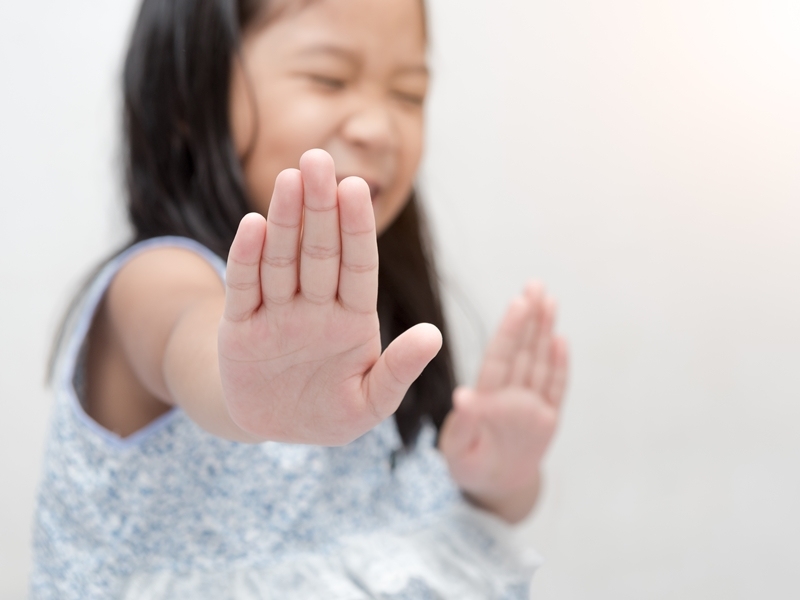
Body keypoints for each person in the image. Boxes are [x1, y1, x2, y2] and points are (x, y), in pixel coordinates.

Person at [32, 0, 569, 597]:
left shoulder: (367, 310)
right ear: (188, 99)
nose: (380, 128)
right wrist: (246, 391)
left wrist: (498, 478)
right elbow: (197, 344)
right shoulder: (157, 280)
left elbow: (440, 534)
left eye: (409, 93)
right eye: (329, 79)